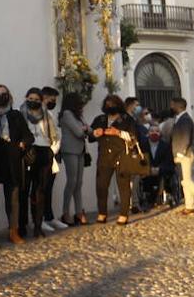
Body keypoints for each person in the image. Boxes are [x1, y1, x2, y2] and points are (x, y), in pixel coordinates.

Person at [0, 84, 33, 244]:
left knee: (13, 201)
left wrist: (22, 144)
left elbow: (28, 136)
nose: (1, 96)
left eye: (4, 93)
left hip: (12, 164)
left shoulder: (16, 115)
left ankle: (14, 231)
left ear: (9, 96)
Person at [88, 93, 141, 225]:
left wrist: (118, 133)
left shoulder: (127, 119)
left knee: (123, 186)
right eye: (107, 104)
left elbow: (133, 137)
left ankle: (123, 214)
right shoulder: (100, 119)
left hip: (121, 155)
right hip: (104, 157)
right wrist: (95, 133)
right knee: (101, 186)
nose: (110, 106)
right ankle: (102, 213)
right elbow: (90, 136)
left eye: (113, 104)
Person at [20, 87, 60, 238]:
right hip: (28, 152)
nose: (33, 102)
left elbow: (55, 135)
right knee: (24, 190)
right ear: (26, 98)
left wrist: (52, 151)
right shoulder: (20, 113)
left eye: (37, 100)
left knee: (40, 191)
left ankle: (38, 225)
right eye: (31, 99)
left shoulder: (47, 115)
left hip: (44, 151)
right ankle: (22, 225)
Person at [57, 93, 89, 225]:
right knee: (72, 181)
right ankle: (65, 212)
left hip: (80, 150)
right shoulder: (67, 114)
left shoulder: (78, 115)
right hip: (69, 150)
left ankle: (78, 212)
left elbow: (88, 128)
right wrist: (85, 129)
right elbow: (79, 132)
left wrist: (88, 129)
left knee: (79, 182)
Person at [39, 86, 64, 230]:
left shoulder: (50, 114)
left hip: (52, 154)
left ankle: (49, 216)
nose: (53, 101)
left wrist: (55, 148)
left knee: (49, 188)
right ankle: (39, 218)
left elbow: (57, 133)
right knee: (40, 189)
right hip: (43, 154)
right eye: (51, 99)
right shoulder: (38, 115)